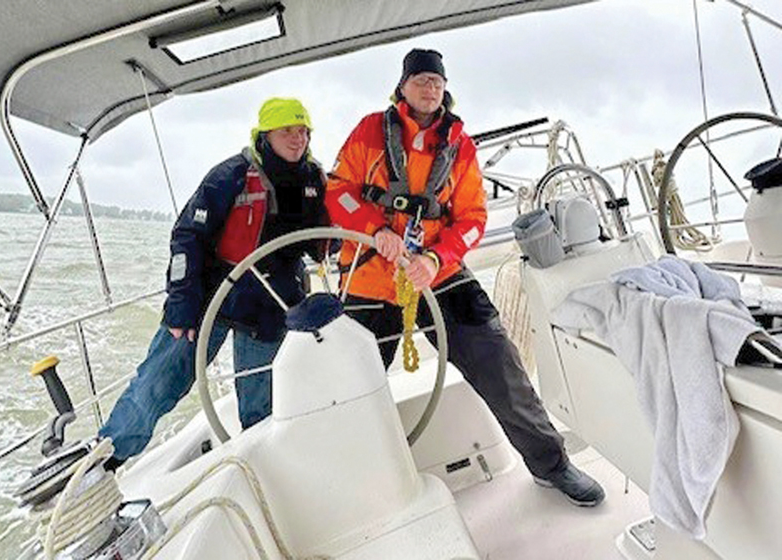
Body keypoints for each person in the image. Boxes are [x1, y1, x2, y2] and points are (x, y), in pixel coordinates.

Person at [326, 49, 605, 506]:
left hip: (440, 273)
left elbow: (473, 218)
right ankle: (354, 493)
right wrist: (375, 232)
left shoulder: (460, 144)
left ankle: (552, 466)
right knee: (352, 387)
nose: (430, 88)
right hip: (372, 277)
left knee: (499, 360)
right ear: (402, 87)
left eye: (437, 81)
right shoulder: (368, 132)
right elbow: (339, 190)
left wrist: (436, 259)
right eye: (420, 80)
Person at [99, 97, 327, 470]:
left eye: (303, 131)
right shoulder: (229, 176)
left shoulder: (314, 180)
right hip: (210, 300)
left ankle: (264, 469)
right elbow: (186, 237)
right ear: (266, 133)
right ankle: (106, 456)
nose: (297, 138)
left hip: (270, 308)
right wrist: (180, 306)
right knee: (159, 383)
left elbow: (325, 239)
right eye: (288, 130)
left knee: (263, 403)